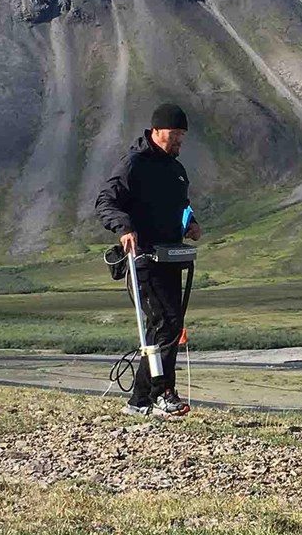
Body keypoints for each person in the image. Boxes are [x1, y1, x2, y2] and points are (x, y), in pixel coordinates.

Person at [95, 103, 201, 417]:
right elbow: (106, 201)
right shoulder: (134, 164)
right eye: (174, 133)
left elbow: (181, 208)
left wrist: (191, 223)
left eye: (182, 134)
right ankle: (163, 394)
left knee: (165, 326)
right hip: (142, 260)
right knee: (166, 323)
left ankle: (141, 400)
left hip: (171, 258)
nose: (179, 139)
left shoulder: (176, 170)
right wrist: (124, 228)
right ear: (156, 131)